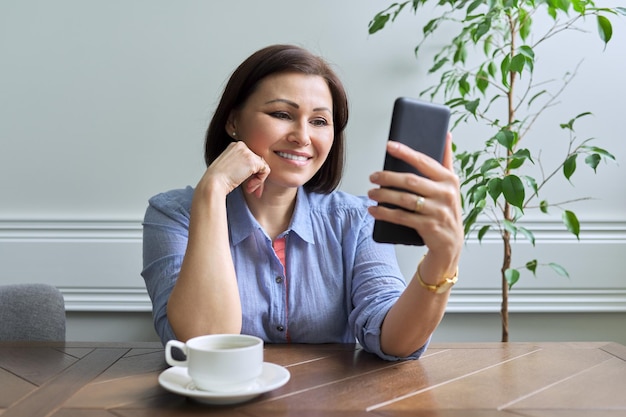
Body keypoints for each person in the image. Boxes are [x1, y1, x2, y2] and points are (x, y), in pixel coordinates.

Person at [142, 44, 463, 360]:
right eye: (282, 114)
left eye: (319, 121)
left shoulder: (355, 219)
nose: (303, 136)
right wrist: (212, 190)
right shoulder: (173, 215)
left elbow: (394, 340)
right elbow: (204, 342)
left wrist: (443, 257)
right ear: (233, 122)